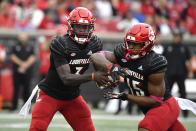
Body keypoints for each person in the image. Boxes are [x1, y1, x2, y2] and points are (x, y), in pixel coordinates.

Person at [90, 23, 186, 131]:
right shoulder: (123, 54)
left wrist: (126, 96)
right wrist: (111, 67)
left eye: (136, 44)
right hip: (149, 110)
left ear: (147, 44)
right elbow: (96, 56)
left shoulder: (153, 62)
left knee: (145, 128)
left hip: (164, 106)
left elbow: (155, 101)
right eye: (129, 43)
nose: (131, 47)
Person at [28, 7, 111, 131]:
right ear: (70, 26)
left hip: (72, 97)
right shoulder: (61, 43)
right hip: (50, 95)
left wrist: (109, 73)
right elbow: (66, 78)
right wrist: (93, 76)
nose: (83, 31)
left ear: (91, 27)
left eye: (86, 27)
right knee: (37, 128)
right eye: (79, 27)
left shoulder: (95, 43)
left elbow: (101, 70)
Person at [163, 28, 193, 118]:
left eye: (177, 36)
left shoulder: (184, 47)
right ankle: (166, 112)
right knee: (167, 93)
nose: (176, 38)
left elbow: (190, 60)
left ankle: (185, 114)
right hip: (169, 74)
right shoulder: (168, 47)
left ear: (180, 37)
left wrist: (190, 71)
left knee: (183, 93)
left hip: (181, 74)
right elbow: (163, 60)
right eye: (175, 36)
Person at [10, 32, 35, 111]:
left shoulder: (30, 46)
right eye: (21, 37)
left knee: (27, 89)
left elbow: (33, 57)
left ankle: (27, 107)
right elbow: (12, 56)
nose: (22, 38)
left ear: (27, 37)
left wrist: (25, 65)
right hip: (17, 70)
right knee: (16, 89)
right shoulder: (15, 46)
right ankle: (14, 107)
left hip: (27, 71)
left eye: (24, 37)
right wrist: (21, 64)